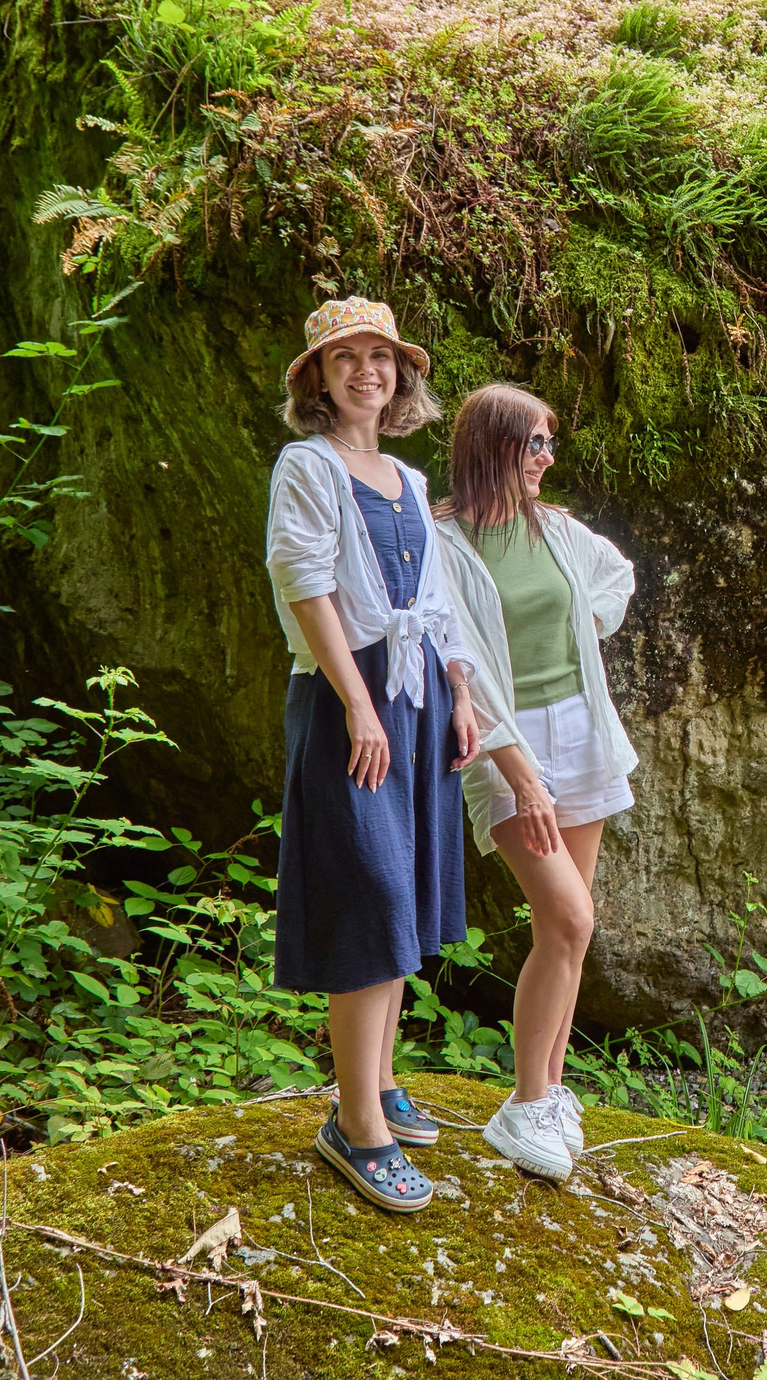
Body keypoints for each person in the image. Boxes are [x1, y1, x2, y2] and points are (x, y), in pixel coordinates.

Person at [263, 297, 516, 1213]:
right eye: (346, 359)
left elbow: (438, 600)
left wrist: (459, 693)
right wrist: (359, 705)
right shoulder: (308, 467)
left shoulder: (405, 478)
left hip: (414, 701)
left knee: (402, 890)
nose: (367, 371)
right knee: (370, 892)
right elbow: (306, 585)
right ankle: (355, 1123)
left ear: (399, 374)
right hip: (350, 704)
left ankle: (378, 1078)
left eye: (381, 356)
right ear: (318, 380)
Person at [434, 383, 638, 1184]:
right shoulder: (444, 541)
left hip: (582, 730)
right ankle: (521, 1108)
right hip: (505, 747)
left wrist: (584, 626)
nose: (549, 459)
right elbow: (461, 661)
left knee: (571, 930)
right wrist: (515, 768)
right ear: (493, 448)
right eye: (535, 445)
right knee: (568, 916)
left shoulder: (553, 530)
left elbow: (616, 577)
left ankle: (550, 1092)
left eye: (551, 444)